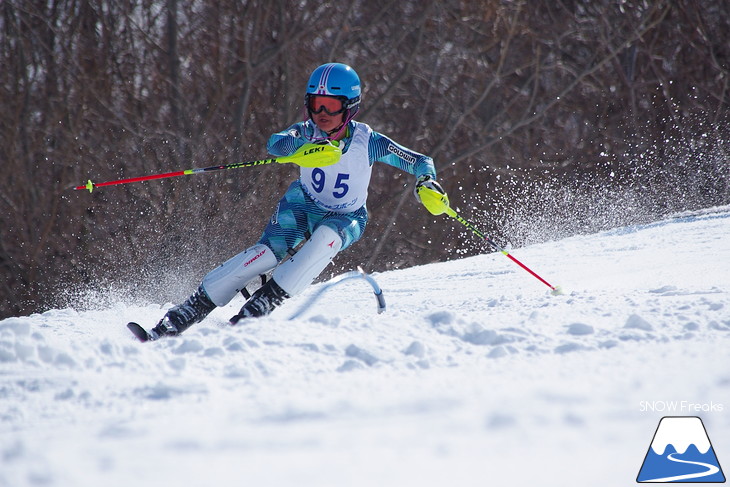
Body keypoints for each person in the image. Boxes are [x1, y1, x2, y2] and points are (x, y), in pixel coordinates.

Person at [144, 62, 450, 340]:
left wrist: (426, 181)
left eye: (331, 106)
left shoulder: (367, 141)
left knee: (325, 240)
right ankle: (186, 312)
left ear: (350, 108)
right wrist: (303, 145)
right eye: (316, 106)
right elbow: (276, 144)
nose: (323, 115)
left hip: (346, 216)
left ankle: (263, 303)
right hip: (303, 203)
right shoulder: (306, 130)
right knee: (264, 255)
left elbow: (419, 160)